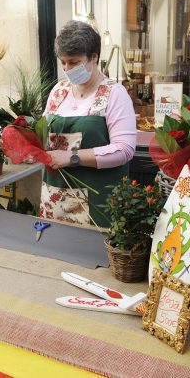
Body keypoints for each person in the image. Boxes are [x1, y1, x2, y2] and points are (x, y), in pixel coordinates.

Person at [40, 20, 136, 228]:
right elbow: (43, 135)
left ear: (94, 57)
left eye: (74, 62)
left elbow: (125, 150)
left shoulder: (113, 94)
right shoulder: (59, 92)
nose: (67, 69)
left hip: (99, 200)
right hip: (56, 197)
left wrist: (72, 157)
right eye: (63, 62)